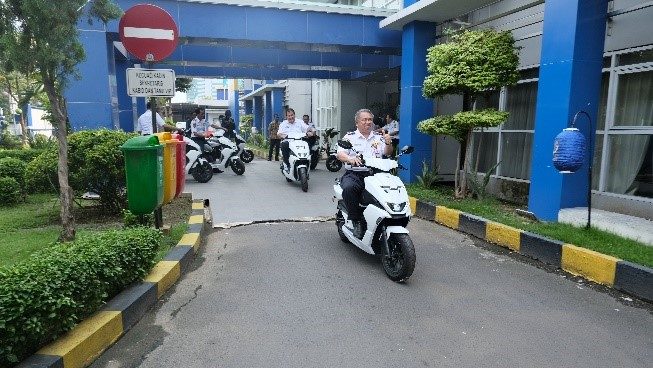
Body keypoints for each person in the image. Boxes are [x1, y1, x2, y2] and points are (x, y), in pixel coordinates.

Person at [336, 109, 393, 239]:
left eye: (370, 120)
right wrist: (350, 159)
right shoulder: (349, 137)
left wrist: (389, 142)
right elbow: (340, 154)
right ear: (357, 123)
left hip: (376, 175)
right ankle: (356, 221)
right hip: (355, 174)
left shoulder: (379, 137)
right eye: (364, 120)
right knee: (349, 188)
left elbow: (388, 152)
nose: (368, 122)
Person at [277, 107, 315, 172]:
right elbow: (279, 134)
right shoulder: (283, 124)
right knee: (284, 144)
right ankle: (287, 164)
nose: (291, 117)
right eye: (289, 116)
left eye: (292, 115)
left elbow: (308, 128)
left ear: (294, 115)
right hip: (289, 142)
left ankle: (308, 162)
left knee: (310, 143)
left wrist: (312, 130)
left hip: (300, 142)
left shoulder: (300, 122)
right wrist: (283, 136)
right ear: (286, 117)